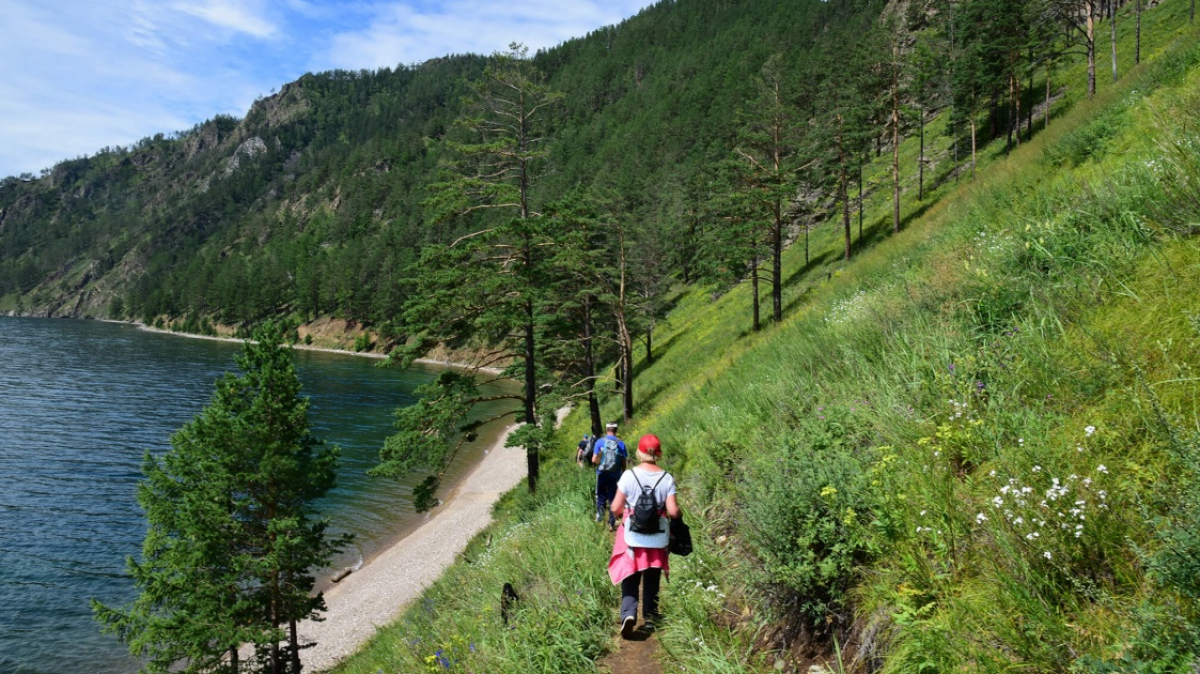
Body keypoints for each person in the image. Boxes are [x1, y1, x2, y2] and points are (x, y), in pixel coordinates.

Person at [608, 433, 679, 639]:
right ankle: (650, 617)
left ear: (639, 453)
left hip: (632, 535)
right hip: (657, 535)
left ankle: (629, 614)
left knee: (630, 574)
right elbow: (673, 511)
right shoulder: (666, 478)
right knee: (652, 575)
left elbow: (615, 507)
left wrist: (622, 514)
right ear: (659, 454)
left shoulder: (629, 476)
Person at [592, 422, 626, 529]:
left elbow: (594, 460)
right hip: (615, 475)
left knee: (601, 496)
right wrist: (622, 473)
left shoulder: (600, 442)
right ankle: (611, 523)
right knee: (613, 498)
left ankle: (600, 520)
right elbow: (623, 461)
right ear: (616, 430)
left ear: (606, 430)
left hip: (601, 474)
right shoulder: (620, 443)